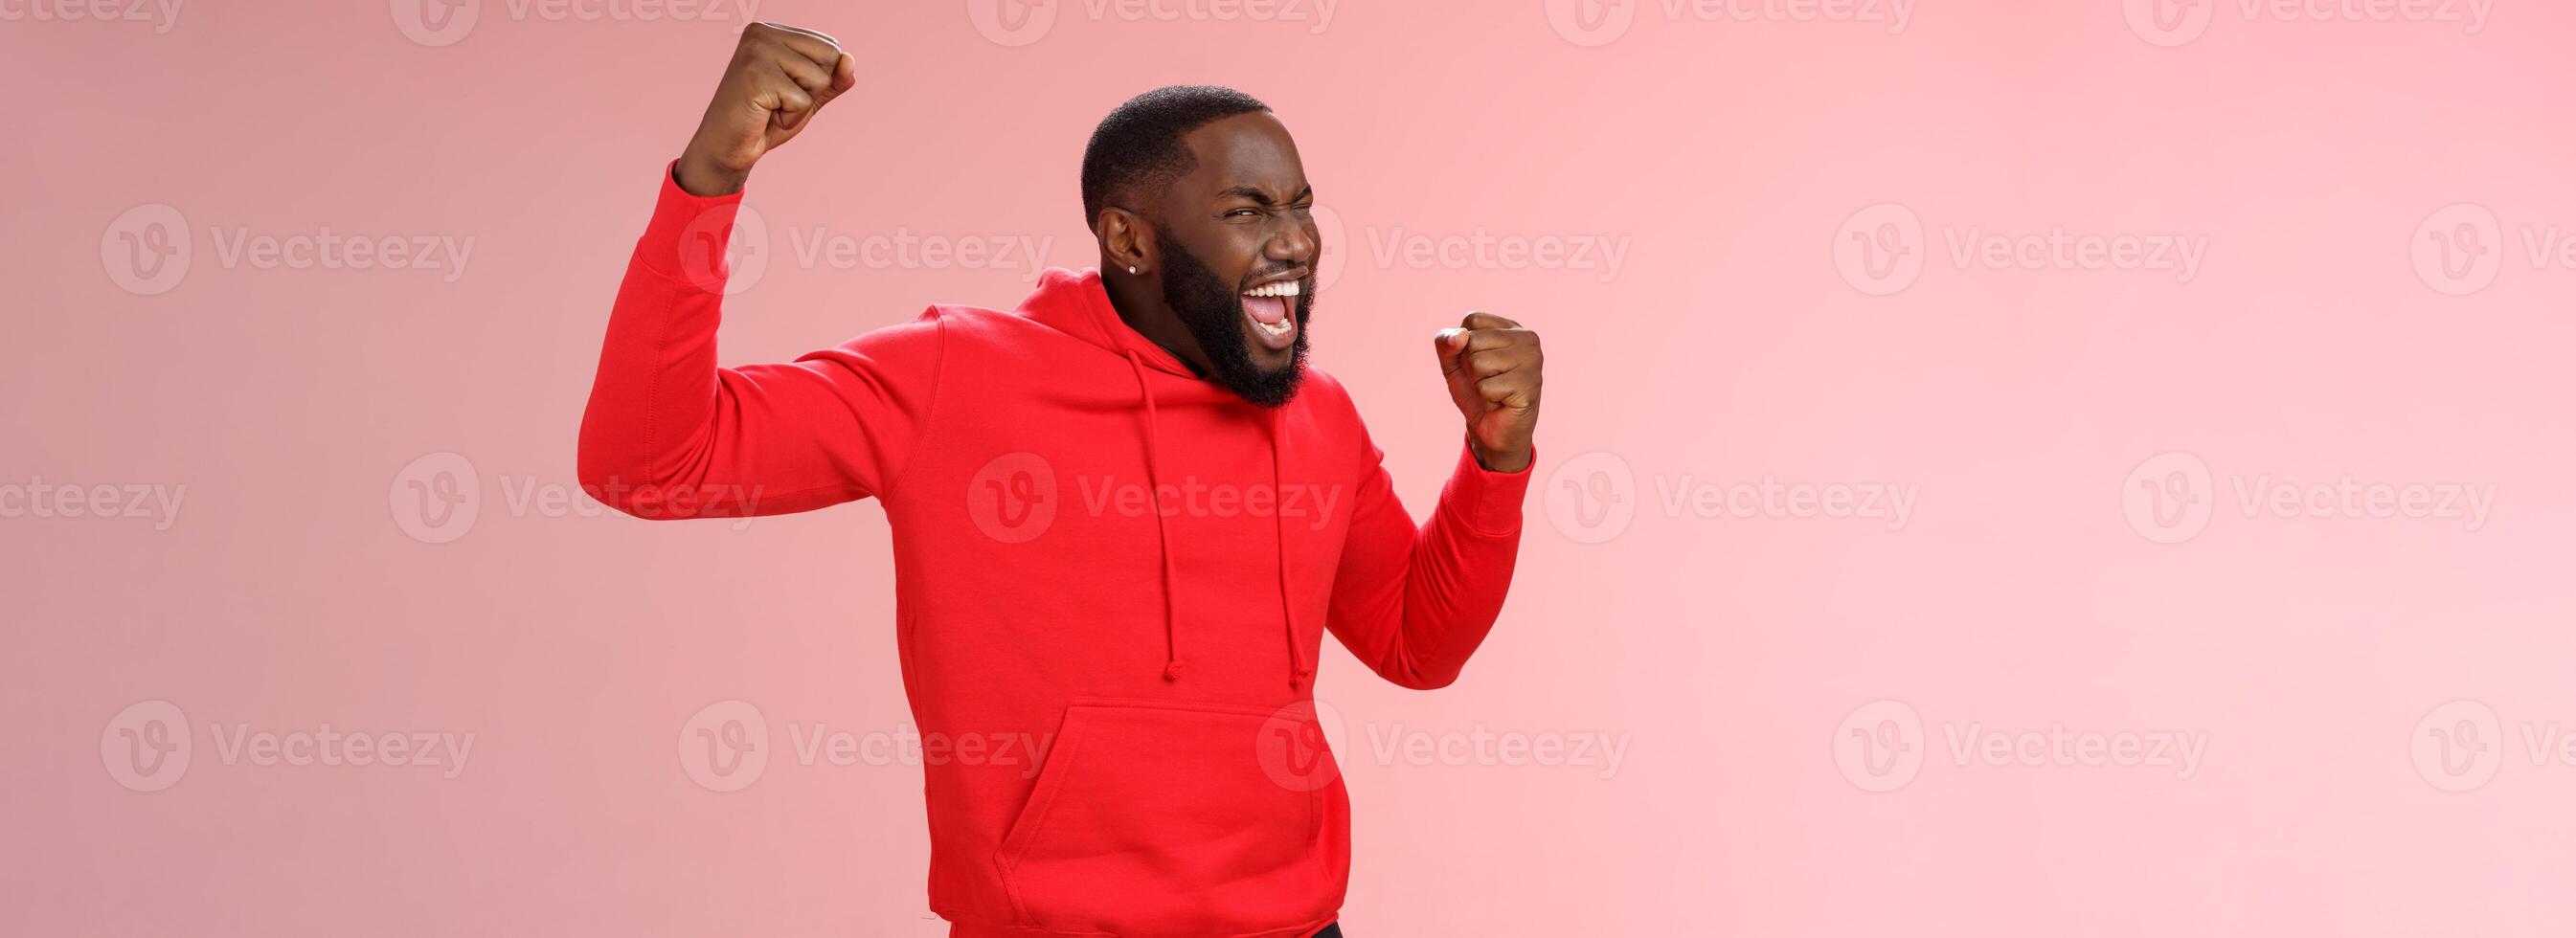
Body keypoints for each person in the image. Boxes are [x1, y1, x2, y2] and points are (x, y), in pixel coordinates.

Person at [576, 22, 1545, 937]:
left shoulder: (1317, 410)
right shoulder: (952, 373)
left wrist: (1495, 457)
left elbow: (1417, 644)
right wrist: (710, 180)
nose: (1295, 241)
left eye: (1298, 205)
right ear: (1129, 240)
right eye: (1248, 211)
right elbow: (651, 462)